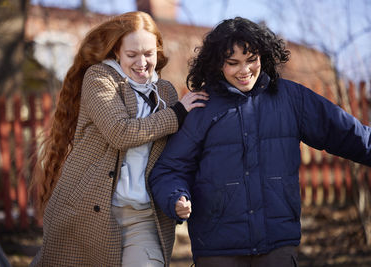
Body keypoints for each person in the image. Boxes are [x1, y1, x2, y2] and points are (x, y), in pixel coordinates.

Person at [149, 16, 371, 267]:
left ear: (263, 57)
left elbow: (346, 133)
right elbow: (169, 169)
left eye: (251, 60)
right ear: (217, 64)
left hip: (276, 244)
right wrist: (176, 197)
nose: (244, 71)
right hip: (218, 248)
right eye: (233, 63)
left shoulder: (291, 98)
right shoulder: (201, 107)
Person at [29, 11, 208, 267]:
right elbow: (119, 133)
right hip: (87, 212)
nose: (142, 62)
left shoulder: (166, 92)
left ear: (158, 51)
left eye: (148, 53)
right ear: (117, 53)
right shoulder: (100, 78)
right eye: (132, 55)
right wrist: (177, 114)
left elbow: (177, 156)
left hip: (143, 217)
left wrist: (178, 194)